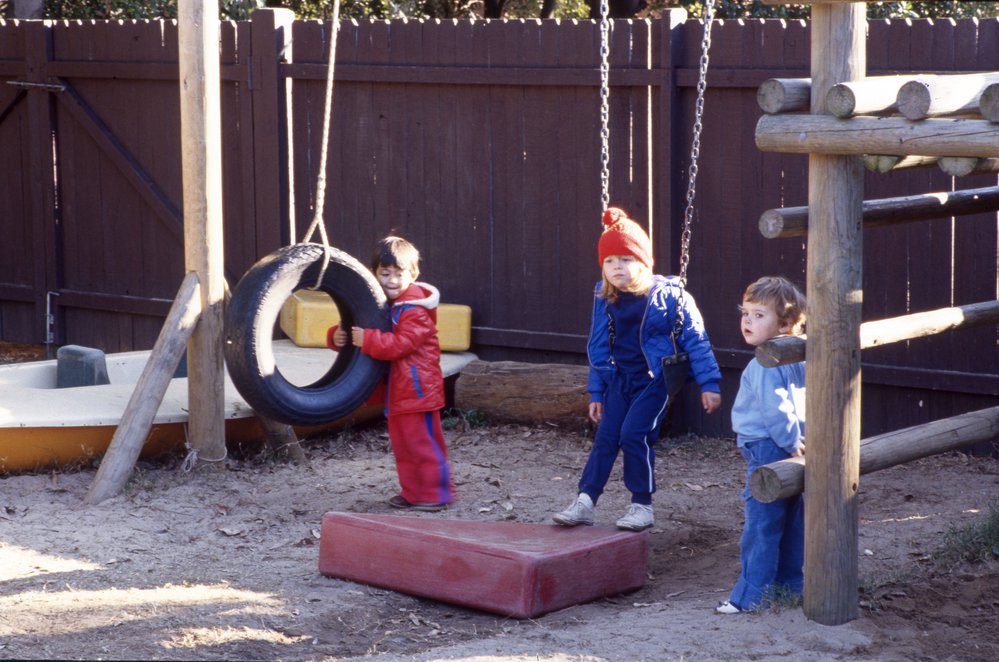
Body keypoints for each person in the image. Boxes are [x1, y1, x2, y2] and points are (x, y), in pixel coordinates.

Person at [553, 207, 722, 532]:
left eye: (626, 259)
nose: (617, 267)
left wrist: (710, 383)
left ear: (644, 263)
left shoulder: (670, 297)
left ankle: (641, 505)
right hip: (619, 379)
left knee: (633, 435)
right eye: (610, 261)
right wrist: (597, 391)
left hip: (654, 381)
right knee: (606, 438)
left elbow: (697, 341)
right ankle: (586, 501)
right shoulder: (604, 297)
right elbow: (598, 347)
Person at [327, 235, 454, 512]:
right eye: (385, 274)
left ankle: (436, 494)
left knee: (423, 445)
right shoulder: (378, 304)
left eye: (400, 274)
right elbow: (356, 332)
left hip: (418, 391)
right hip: (398, 392)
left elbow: (401, 345)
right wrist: (337, 336)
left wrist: (368, 339)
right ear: (374, 273)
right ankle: (412, 492)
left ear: (413, 275)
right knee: (404, 447)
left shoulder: (415, 310)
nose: (392, 281)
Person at [716, 275, 807, 614]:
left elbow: (776, 408)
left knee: (762, 520)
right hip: (794, 444)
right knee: (789, 519)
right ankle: (789, 586)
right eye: (746, 313)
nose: (748, 322)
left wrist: (789, 440)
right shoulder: (798, 354)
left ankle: (749, 595)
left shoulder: (765, 362)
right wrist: (800, 439)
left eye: (759, 315)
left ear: (784, 323)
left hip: (769, 446)